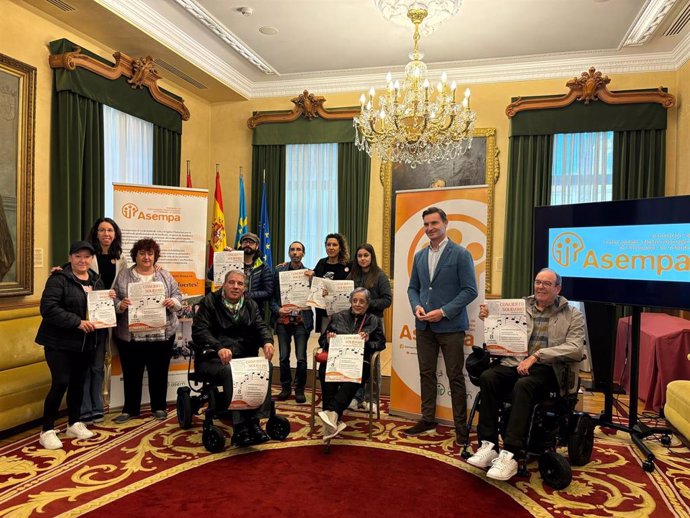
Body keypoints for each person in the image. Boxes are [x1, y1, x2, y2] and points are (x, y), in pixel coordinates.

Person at [467, 268, 585, 481]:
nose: (540, 287)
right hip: (515, 361)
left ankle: (511, 453)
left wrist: (538, 355)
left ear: (557, 288)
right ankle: (489, 445)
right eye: (538, 282)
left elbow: (576, 348)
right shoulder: (520, 306)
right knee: (488, 377)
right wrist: (488, 317)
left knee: (524, 385)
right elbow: (503, 332)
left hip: (549, 369)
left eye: (546, 284)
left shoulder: (571, 314)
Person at [405, 206, 478, 444]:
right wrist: (416, 306)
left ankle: (460, 428)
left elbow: (470, 291)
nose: (430, 228)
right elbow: (413, 288)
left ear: (445, 224)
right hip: (424, 326)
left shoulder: (461, 254)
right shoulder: (419, 256)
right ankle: (427, 419)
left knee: (455, 376)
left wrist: (444, 312)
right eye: (426, 224)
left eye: (434, 223)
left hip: (451, 327)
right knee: (426, 374)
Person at [35, 241, 114, 449]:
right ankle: (47, 430)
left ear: (92, 259)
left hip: (86, 343)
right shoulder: (58, 279)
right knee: (61, 382)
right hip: (58, 343)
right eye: (78, 256)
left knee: (79, 382)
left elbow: (100, 308)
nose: (83, 260)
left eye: (87, 257)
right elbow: (48, 308)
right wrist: (77, 322)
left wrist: (109, 299)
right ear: (70, 258)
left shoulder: (97, 280)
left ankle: (74, 423)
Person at [192, 270, 276, 447]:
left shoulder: (250, 304)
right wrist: (218, 347)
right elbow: (200, 331)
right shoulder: (210, 302)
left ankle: (255, 423)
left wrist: (267, 342)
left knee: (266, 367)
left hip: (243, 356)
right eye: (231, 282)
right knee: (233, 372)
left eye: (240, 284)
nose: (235, 287)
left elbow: (261, 326)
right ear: (224, 284)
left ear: (244, 287)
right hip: (213, 358)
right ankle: (240, 428)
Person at [112, 239, 182, 424]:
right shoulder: (124, 275)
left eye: (150, 253)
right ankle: (130, 409)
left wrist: (172, 302)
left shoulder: (165, 275)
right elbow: (114, 298)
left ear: (155, 256)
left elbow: (177, 295)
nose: (146, 257)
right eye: (142, 253)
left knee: (159, 372)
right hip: (131, 335)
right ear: (135, 255)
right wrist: (121, 304)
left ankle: (159, 407)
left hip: (161, 334)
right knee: (131, 373)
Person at [317, 288, 386, 441]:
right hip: (337, 360)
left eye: (362, 301)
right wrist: (328, 340)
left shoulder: (373, 320)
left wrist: (367, 343)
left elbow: (381, 344)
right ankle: (333, 417)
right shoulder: (338, 317)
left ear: (367, 304)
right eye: (355, 300)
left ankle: (331, 413)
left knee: (353, 375)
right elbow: (321, 340)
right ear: (350, 301)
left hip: (359, 362)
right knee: (325, 371)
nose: (357, 304)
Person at [80, 217, 127, 425]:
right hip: (90, 315)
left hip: (113, 314)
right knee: (91, 361)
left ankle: (102, 403)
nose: (106, 234)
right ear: (96, 233)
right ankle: (88, 407)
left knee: (103, 361)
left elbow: (125, 283)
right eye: (102, 230)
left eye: (110, 230)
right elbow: (76, 269)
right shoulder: (89, 256)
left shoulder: (121, 258)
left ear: (115, 234)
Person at [347, 243, 391, 411]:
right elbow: (346, 297)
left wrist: (367, 303)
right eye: (359, 256)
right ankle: (356, 397)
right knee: (356, 361)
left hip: (374, 323)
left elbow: (387, 300)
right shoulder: (352, 275)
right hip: (354, 323)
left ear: (371, 257)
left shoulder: (380, 276)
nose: (363, 258)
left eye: (366, 255)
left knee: (373, 362)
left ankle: (372, 399)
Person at [271, 241, 313, 404]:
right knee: (283, 357)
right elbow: (273, 297)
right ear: (289, 253)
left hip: (302, 322)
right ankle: (285, 387)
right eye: (292, 250)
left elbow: (317, 296)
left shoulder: (310, 274)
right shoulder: (279, 271)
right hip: (283, 321)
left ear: (303, 253)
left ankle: (300, 389)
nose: (295, 252)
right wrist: (278, 310)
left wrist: (313, 280)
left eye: (299, 250)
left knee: (301, 358)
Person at [310, 233, 351, 332]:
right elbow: (313, 278)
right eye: (328, 245)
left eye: (335, 245)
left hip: (341, 313)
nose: (331, 247)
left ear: (340, 248)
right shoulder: (321, 263)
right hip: (323, 312)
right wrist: (286, 265)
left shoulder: (348, 265)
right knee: (324, 341)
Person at [237, 232, 274, 317]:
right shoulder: (231, 262)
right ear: (241, 245)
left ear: (257, 246)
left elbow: (268, 292)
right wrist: (223, 257)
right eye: (245, 242)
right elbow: (211, 276)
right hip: (230, 310)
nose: (248, 244)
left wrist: (247, 295)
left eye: (251, 242)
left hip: (254, 311)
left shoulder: (263, 267)